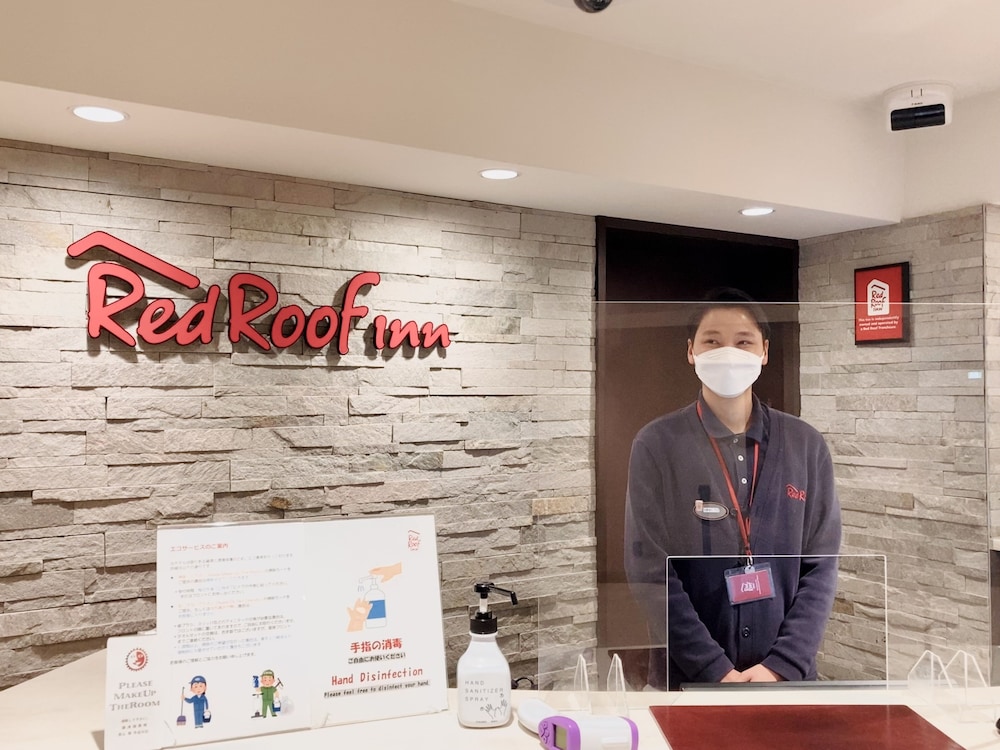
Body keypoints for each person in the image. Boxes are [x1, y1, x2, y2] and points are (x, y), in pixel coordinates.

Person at [624, 288, 841, 689]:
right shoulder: (656, 444)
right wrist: (713, 670)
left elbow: (821, 565)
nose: (728, 353)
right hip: (687, 682)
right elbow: (649, 570)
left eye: (743, 342)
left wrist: (783, 664)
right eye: (712, 341)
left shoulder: (806, 444)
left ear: (764, 352)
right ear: (691, 351)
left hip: (786, 681)